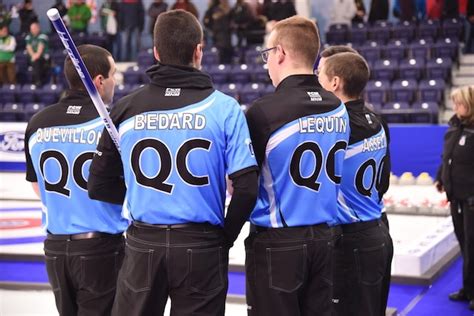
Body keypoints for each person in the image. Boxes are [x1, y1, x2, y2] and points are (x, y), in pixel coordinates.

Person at [88, 9, 258, 316]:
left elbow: (98, 184)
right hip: (202, 244)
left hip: (144, 244)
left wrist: (141, 195)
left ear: (155, 53)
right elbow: (246, 189)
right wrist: (225, 238)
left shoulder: (124, 109)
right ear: (198, 51)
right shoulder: (225, 108)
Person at [244, 16, 350, 315]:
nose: (267, 64)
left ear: (280, 53)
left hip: (279, 241)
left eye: (267, 55)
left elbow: (244, 183)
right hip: (325, 239)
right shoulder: (337, 106)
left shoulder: (264, 111)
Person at [23, 44, 128, 316]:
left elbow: (38, 186)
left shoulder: (37, 123)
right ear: (99, 81)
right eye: (114, 74)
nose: (116, 81)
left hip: (56, 249)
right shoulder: (111, 124)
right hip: (100, 249)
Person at [318, 49, 394, 316]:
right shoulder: (377, 120)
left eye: (320, 75)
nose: (317, 81)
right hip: (378, 230)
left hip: (351, 240)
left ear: (335, 82)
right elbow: (383, 180)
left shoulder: (336, 125)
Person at [436, 85, 474, 311]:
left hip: (471, 198)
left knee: (473, 245)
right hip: (456, 196)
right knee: (464, 243)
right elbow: (447, 157)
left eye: (459, 103)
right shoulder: (453, 128)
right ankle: (468, 288)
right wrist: (441, 177)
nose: (455, 107)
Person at [26, 22, 49, 87]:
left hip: (43, 57)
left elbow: (40, 47)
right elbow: (28, 47)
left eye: (35, 28)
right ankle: (36, 81)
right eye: (32, 29)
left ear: (38, 28)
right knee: (34, 61)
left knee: (37, 62)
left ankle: (37, 81)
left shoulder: (43, 35)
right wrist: (33, 56)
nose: (33, 30)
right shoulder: (29, 36)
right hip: (33, 58)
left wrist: (36, 56)